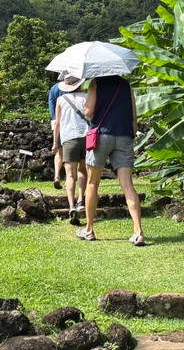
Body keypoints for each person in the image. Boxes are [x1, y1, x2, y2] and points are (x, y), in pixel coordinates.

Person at [77, 74, 144, 246]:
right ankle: (138, 231)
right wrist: (130, 136)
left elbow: (88, 110)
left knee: (93, 183)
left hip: (101, 136)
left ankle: (89, 229)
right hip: (124, 135)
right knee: (128, 185)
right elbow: (133, 117)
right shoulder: (125, 84)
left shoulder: (96, 82)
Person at [52, 77, 89, 225]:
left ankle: (71, 206)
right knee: (82, 170)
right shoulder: (86, 97)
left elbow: (58, 123)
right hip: (86, 137)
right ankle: (81, 200)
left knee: (69, 174)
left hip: (69, 139)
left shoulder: (61, 100)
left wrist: (56, 143)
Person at [47, 77, 65, 188]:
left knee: (59, 151)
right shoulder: (74, 88)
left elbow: (51, 106)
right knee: (73, 154)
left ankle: (57, 176)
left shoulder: (53, 89)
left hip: (56, 123)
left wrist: (55, 119)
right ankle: (70, 178)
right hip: (70, 123)